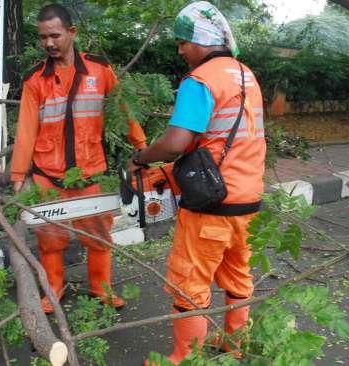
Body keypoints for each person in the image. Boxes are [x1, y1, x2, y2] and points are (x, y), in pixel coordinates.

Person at [127, 2, 266, 363]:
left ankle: (184, 359)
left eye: (183, 42)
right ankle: (236, 346)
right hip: (248, 202)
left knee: (190, 284)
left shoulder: (200, 80)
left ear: (201, 40)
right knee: (238, 278)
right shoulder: (246, 74)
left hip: (211, 207)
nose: (181, 50)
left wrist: (141, 157)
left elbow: (176, 144)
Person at [10, 3, 147, 313]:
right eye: (42, 37)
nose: (48, 43)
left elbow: (123, 110)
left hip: (90, 174)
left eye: (55, 36)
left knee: (98, 236)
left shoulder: (99, 71)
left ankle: (101, 288)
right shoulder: (35, 80)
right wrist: (18, 177)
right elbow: (26, 131)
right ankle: (53, 289)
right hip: (48, 174)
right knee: (50, 239)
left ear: (72, 32)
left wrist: (141, 146)